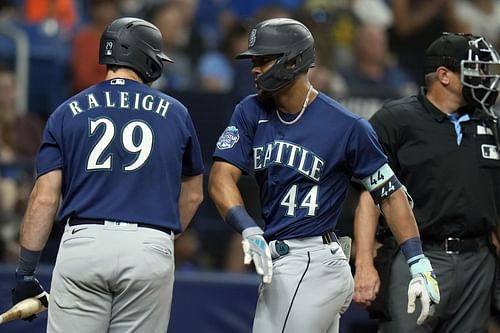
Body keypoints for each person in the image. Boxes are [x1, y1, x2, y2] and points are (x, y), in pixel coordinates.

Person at [208, 17, 440, 333]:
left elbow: (390, 194)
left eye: (264, 59)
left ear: (294, 61)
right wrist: (247, 228)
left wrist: (418, 262)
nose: (255, 68)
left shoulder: (346, 126)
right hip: (286, 262)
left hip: (311, 263)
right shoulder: (250, 111)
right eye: (253, 60)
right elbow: (221, 176)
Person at [10, 17, 204, 333]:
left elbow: (44, 198)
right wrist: (160, 239)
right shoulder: (176, 112)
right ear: (146, 59)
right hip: (148, 246)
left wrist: (25, 273)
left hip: (84, 243)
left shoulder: (66, 110)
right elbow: (194, 193)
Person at [353, 32, 500, 333]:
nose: (485, 79)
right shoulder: (396, 119)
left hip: (478, 259)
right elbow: (370, 198)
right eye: (475, 70)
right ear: (444, 75)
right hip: (417, 256)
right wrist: (365, 264)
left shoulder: (491, 122)